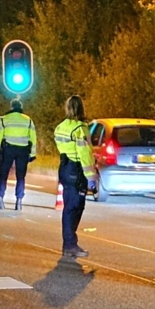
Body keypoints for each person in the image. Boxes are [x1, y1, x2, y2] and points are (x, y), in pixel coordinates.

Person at [54, 95, 97, 259]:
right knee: (76, 207)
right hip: (77, 169)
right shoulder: (81, 128)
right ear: (81, 108)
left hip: (64, 167)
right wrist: (91, 177)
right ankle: (70, 244)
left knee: (69, 206)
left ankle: (69, 243)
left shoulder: (60, 127)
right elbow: (84, 154)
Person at [0, 98, 37, 211]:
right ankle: (19, 201)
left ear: (11, 107)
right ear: (21, 107)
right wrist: (33, 154)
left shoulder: (5, 119)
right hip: (23, 150)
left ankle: (0, 199)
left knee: (3, 175)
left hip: (8, 149)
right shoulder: (28, 120)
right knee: (20, 176)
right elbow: (33, 138)